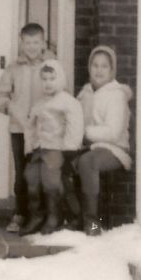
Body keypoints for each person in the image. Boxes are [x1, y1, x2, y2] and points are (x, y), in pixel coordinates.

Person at [0, 23, 55, 233]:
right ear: (21, 43)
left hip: (44, 130)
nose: (31, 47)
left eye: (36, 42)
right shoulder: (13, 68)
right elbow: (1, 95)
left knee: (40, 171)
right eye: (27, 42)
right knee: (22, 172)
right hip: (19, 129)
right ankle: (21, 213)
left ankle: (42, 215)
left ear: (43, 43)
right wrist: (10, 107)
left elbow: (59, 90)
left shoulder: (51, 66)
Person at [20, 60, 84, 236]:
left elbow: (75, 125)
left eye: (52, 79)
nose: (47, 83)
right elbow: (30, 126)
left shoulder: (67, 102)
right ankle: (36, 216)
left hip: (56, 149)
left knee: (51, 182)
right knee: (31, 178)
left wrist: (70, 150)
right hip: (39, 148)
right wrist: (29, 147)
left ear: (60, 79)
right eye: (44, 79)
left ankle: (54, 217)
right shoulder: (38, 103)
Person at [75, 45, 132, 236]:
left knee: (87, 162)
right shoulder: (84, 94)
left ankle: (92, 224)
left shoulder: (116, 95)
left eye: (104, 66)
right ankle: (74, 218)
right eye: (95, 65)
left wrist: (84, 132)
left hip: (114, 149)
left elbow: (113, 132)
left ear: (112, 70)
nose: (99, 70)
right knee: (61, 162)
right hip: (88, 146)